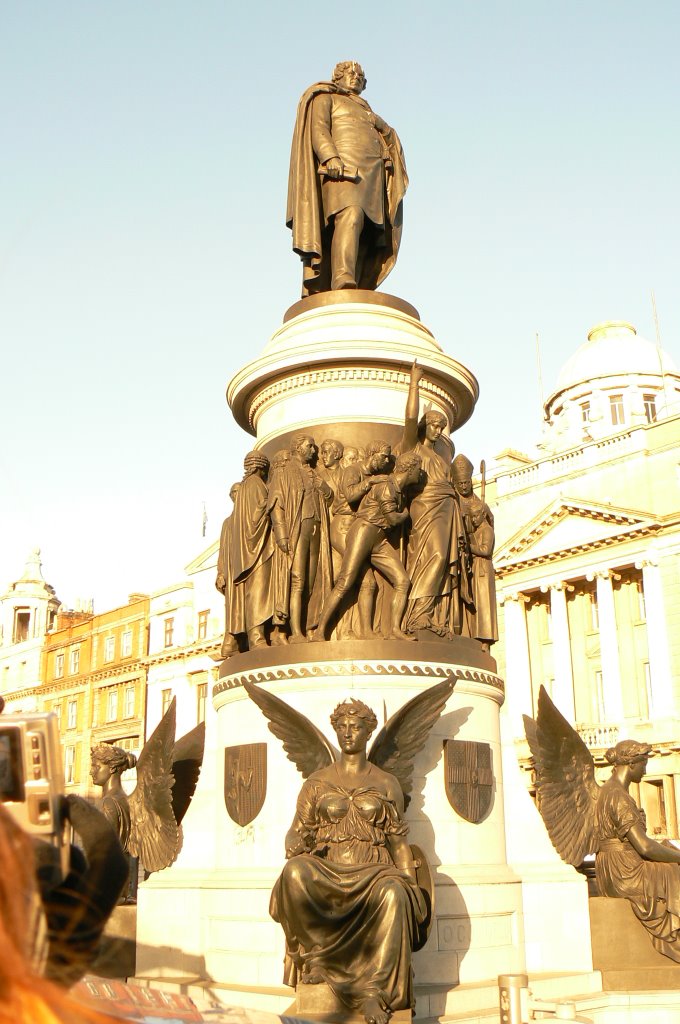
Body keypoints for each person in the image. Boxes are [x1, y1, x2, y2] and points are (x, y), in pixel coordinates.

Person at [270, 699, 426, 1024]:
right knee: (295, 872)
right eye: (342, 727)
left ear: (368, 732)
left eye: (355, 727)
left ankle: (375, 991)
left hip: (374, 870)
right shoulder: (316, 783)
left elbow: (398, 843)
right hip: (327, 866)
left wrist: (410, 882)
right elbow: (294, 832)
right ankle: (319, 962)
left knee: (394, 894)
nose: (348, 733)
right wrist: (295, 843)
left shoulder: (386, 784)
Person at [287, 61, 408, 294]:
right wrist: (330, 157)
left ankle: (359, 283)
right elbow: (318, 128)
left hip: (372, 176)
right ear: (338, 77)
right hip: (343, 172)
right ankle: (342, 278)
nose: (356, 77)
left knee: (368, 232)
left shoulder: (368, 111)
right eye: (350, 73)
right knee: (350, 216)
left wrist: (384, 129)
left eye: (360, 75)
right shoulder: (326, 98)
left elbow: (390, 136)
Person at [316, 451, 422, 641]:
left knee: (402, 581)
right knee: (345, 582)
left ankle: (395, 630)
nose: (420, 474)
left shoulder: (398, 489)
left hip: (379, 539)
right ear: (410, 469)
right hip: (364, 533)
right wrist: (406, 514)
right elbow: (393, 518)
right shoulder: (387, 486)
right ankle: (319, 631)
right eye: (418, 469)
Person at [595, 740, 680, 960]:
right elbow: (644, 846)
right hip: (625, 871)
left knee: (667, 853)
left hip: (612, 866)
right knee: (673, 872)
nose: (645, 769)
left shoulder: (607, 790)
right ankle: (675, 933)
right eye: (644, 764)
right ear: (632, 764)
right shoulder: (619, 797)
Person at [401, 362, 468, 636]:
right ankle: (417, 614)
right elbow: (408, 418)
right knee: (434, 556)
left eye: (441, 426)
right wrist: (414, 384)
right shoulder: (413, 447)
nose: (438, 430)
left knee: (440, 560)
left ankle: (430, 615)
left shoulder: (441, 460)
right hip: (425, 510)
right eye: (434, 425)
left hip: (445, 510)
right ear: (424, 427)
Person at [268, 435, 333, 642]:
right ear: (297, 447)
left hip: (315, 528)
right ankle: (295, 631)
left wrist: (321, 485)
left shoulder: (313, 473)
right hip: (297, 529)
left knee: (312, 581)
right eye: (309, 446)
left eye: (314, 447)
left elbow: (330, 497)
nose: (314, 451)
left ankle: (309, 625)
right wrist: (281, 535)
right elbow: (276, 504)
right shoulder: (284, 472)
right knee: (298, 580)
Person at [328, 440, 393, 639]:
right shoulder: (353, 471)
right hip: (343, 527)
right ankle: (321, 630)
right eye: (383, 456)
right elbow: (350, 495)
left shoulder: (372, 474)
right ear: (372, 454)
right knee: (348, 580)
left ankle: (365, 631)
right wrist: (370, 483)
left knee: (368, 583)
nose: (386, 460)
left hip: (357, 530)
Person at [228, 451, 275, 651]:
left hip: (249, 548)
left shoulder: (245, 487)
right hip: (258, 549)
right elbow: (259, 514)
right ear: (260, 467)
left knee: (255, 591)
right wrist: (274, 501)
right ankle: (257, 637)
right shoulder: (256, 484)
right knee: (259, 591)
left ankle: (255, 636)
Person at [463, 503, 498, 650]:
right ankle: (476, 635)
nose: (474, 520)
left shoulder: (487, 530)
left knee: (484, 604)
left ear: (483, 515)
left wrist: (469, 547)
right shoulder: (476, 532)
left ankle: (486, 639)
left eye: (476, 516)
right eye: (472, 517)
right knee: (476, 604)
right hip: (476, 569)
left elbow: (485, 550)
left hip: (483, 569)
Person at [215, 482, 241, 658]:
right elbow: (223, 551)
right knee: (234, 608)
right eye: (235, 494)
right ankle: (231, 640)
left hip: (245, 568)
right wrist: (221, 573)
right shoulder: (229, 523)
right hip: (234, 572)